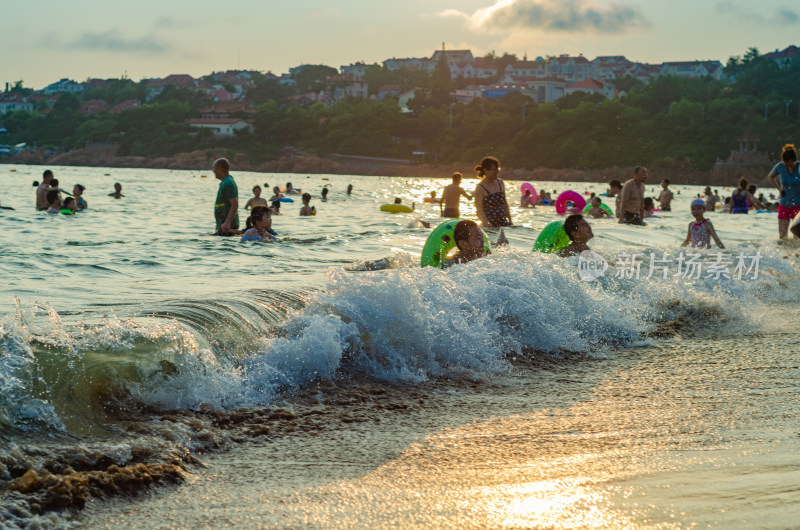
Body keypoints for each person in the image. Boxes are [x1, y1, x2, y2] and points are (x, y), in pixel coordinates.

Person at [767, 144, 800, 238]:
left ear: (795, 160)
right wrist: (779, 188)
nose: (789, 165)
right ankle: (783, 253)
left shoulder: (799, 166)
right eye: (787, 163)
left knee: (796, 238)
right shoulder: (780, 166)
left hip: (798, 206)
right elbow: (770, 177)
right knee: (782, 237)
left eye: (792, 163)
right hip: (784, 204)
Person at [473, 156, 512, 227]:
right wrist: (488, 224)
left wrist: (510, 220)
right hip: (489, 226)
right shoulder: (480, 188)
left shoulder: (500, 182)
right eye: (494, 169)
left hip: (503, 223)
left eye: (498, 169)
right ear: (485, 170)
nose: (497, 171)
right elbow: (479, 210)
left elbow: (504, 203)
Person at [213, 158, 239, 235]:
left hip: (227, 228)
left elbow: (234, 204)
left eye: (214, 168)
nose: (213, 171)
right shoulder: (225, 182)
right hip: (222, 225)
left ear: (219, 169)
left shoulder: (228, 183)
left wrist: (227, 223)